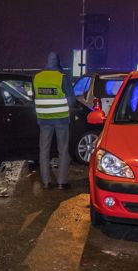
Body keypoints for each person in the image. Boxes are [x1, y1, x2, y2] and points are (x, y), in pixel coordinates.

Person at [34, 52, 77, 189]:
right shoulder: (62, 78)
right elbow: (72, 100)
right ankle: (61, 182)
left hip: (44, 119)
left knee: (44, 150)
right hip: (61, 119)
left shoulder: (37, 77)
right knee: (63, 150)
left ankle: (46, 182)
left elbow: (35, 96)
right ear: (58, 63)